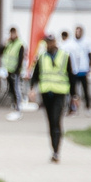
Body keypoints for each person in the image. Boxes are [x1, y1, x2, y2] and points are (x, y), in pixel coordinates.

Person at [32, 33, 72, 162]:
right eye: (47, 42)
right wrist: (32, 89)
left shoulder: (64, 56)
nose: (49, 44)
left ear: (55, 42)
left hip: (59, 93)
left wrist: (74, 95)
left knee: (56, 120)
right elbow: (36, 74)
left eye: (51, 42)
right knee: (50, 122)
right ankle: (54, 149)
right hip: (46, 93)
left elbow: (71, 76)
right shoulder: (42, 57)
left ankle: (56, 150)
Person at [0, 27, 25, 119]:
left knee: (16, 89)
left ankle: (18, 106)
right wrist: (4, 43)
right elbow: (0, 52)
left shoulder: (20, 44)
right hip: (8, 69)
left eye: (13, 33)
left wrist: (17, 70)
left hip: (15, 71)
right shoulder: (9, 43)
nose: (12, 35)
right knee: (11, 88)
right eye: (10, 33)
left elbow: (20, 58)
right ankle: (14, 103)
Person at [68, 27, 91, 110]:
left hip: (83, 68)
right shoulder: (72, 42)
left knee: (85, 89)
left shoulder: (87, 41)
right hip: (74, 69)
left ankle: (88, 106)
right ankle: (73, 107)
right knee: (73, 90)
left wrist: (90, 66)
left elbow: (90, 54)